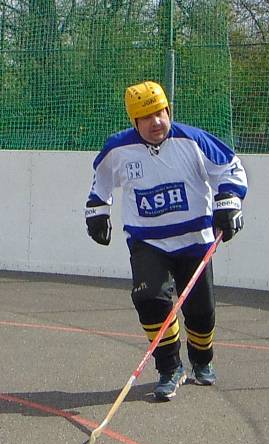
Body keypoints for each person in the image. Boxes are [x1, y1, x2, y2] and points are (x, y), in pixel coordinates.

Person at [85, 81, 248, 400]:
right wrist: (97, 212)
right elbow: (100, 182)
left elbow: (230, 168)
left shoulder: (193, 140)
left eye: (160, 113)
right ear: (134, 121)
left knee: (201, 311)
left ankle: (202, 361)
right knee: (149, 300)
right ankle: (170, 367)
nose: (155, 122)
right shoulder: (118, 149)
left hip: (194, 240)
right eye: (146, 117)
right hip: (148, 243)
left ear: (168, 111)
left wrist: (228, 201)